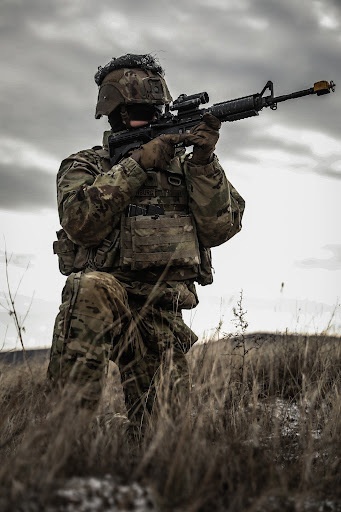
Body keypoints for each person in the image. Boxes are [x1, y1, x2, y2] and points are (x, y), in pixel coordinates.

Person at [47, 53, 245, 434]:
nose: (150, 121)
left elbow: (220, 229)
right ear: (114, 114)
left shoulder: (189, 168)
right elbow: (79, 223)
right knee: (88, 286)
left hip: (163, 311)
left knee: (163, 438)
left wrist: (204, 160)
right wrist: (137, 165)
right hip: (108, 299)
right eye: (138, 112)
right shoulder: (85, 165)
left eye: (155, 111)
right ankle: (64, 447)